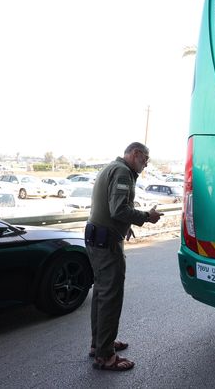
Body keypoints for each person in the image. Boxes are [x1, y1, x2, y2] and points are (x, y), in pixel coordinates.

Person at [85, 142, 163, 371]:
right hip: (106, 243)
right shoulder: (122, 172)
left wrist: (125, 225)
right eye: (145, 159)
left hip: (98, 236)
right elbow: (117, 209)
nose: (146, 164)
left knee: (101, 294)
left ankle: (99, 343)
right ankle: (105, 356)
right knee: (110, 297)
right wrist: (147, 216)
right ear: (136, 154)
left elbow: (110, 208)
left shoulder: (112, 167)